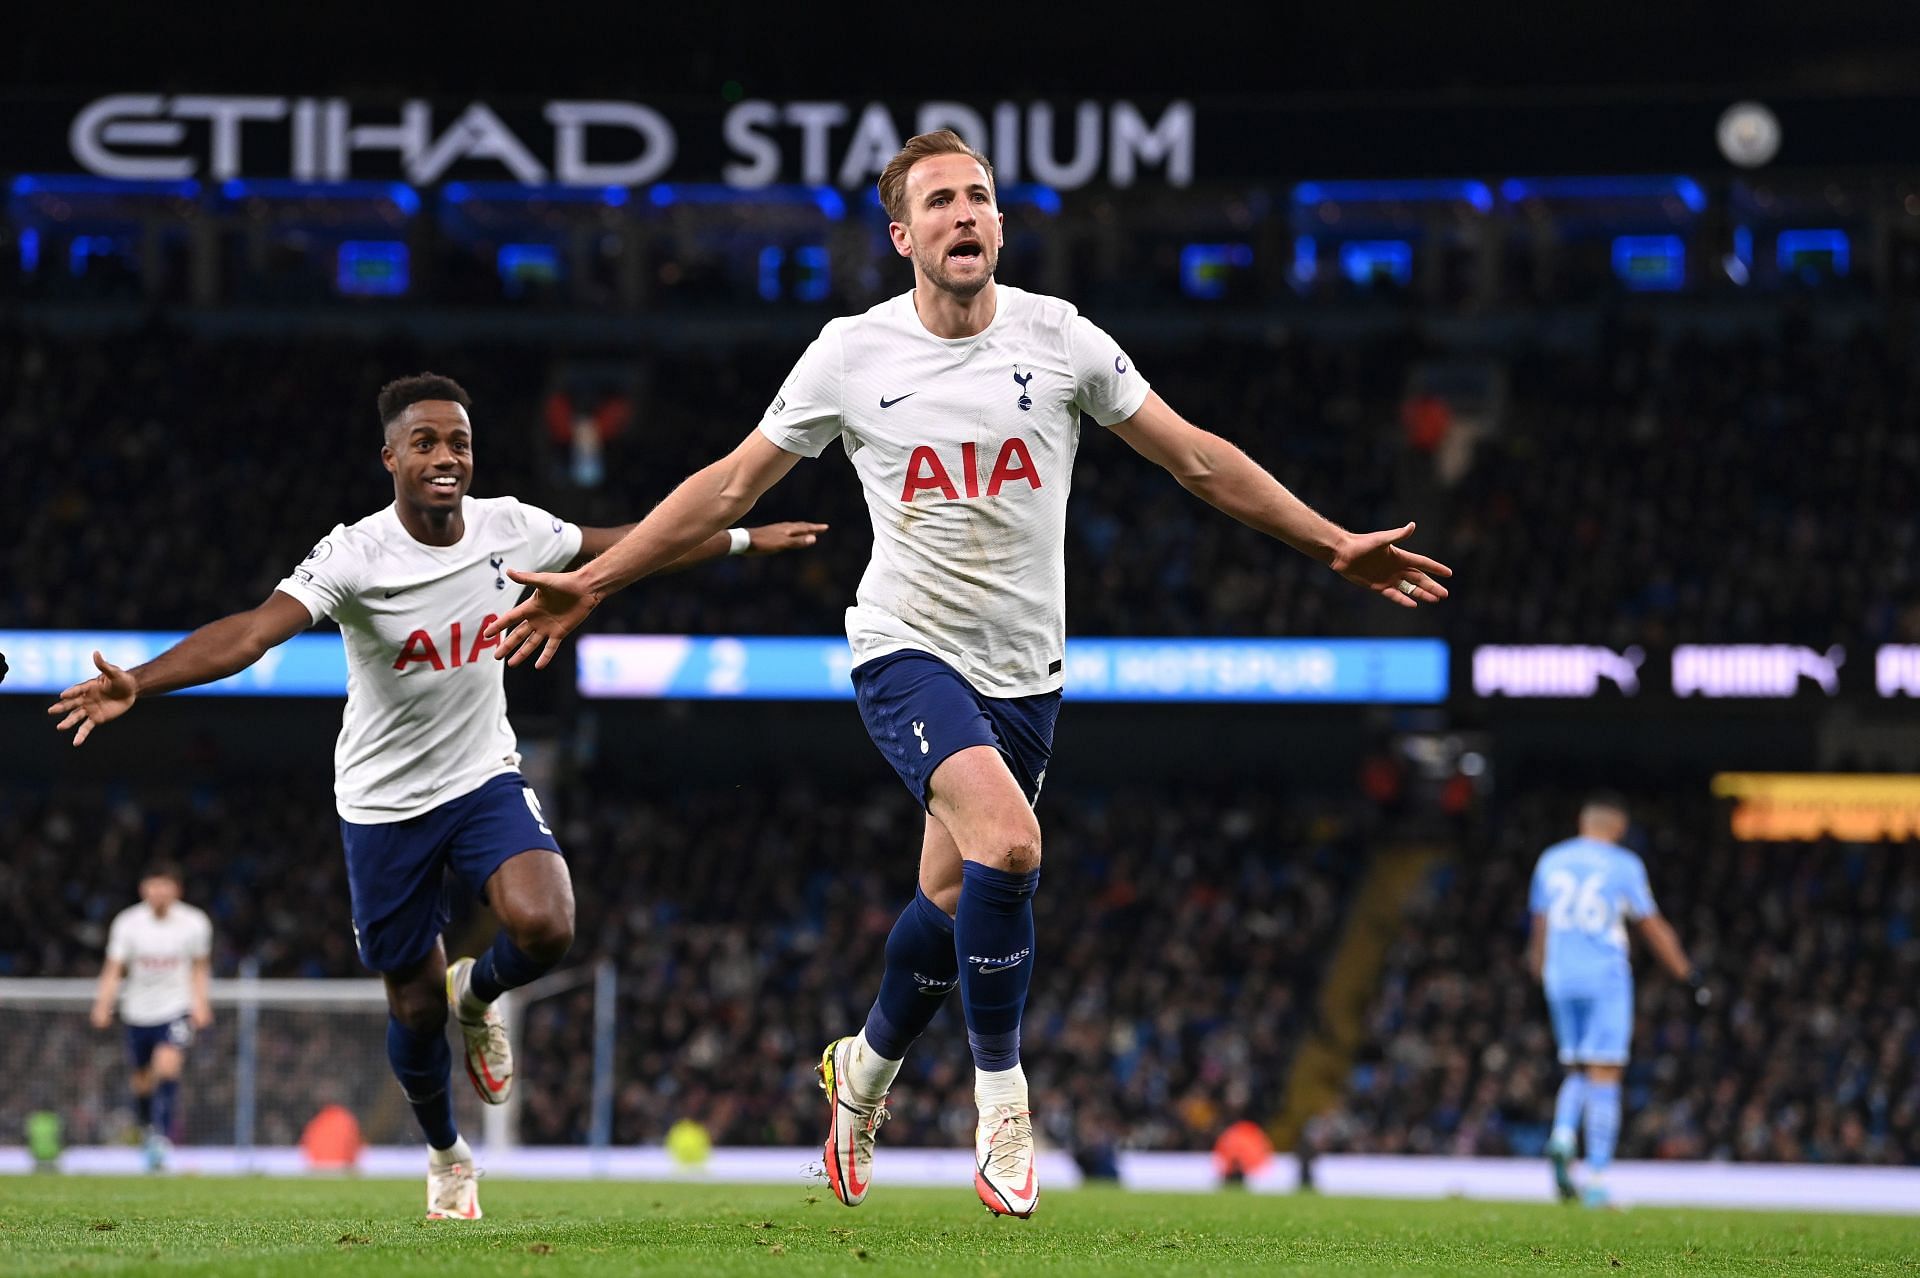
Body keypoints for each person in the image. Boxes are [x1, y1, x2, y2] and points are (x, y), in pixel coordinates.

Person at [481, 130, 1452, 1219]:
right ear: (903, 236)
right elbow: (728, 487)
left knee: (950, 904)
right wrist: (601, 580)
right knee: (1012, 843)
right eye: (940, 202)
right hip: (905, 647)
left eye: (978, 198)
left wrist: (1330, 543)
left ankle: (863, 1074)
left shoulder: (1061, 338)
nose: (964, 215)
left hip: (1027, 673)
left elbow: (1195, 455)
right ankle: (1000, 1104)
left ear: (999, 223)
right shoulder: (852, 354)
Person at [50, 373, 825, 1218]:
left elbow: (627, 544)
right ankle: (447, 1152)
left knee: (548, 924)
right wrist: (145, 683)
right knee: (413, 1010)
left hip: (481, 775)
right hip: (382, 805)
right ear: (390, 459)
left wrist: (743, 541)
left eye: (457, 442)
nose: (445, 456)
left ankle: (480, 992)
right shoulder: (354, 554)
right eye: (425, 443)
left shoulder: (511, 526)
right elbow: (251, 634)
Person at [1528, 792, 1706, 1209]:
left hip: (1560, 976)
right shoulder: (1624, 865)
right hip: (1603, 976)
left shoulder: (1550, 860)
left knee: (1576, 1066)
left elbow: (1540, 925)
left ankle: (1562, 1135)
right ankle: (1597, 1181)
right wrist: (1689, 975)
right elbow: (1652, 926)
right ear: (1618, 828)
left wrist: (1541, 972)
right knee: (1605, 1073)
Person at [90, 862, 213, 1172]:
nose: (159, 892)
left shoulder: (194, 923)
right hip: (137, 1010)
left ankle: (161, 1137)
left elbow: (199, 967)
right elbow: (114, 968)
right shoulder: (128, 923)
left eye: (165, 885)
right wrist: (103, 1003)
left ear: (176, 889)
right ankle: (147, 1128)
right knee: (142, 1080)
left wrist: (200, 1003)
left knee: (168, 1065)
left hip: (175, 1007)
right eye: (153, 885)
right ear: (143, 889)